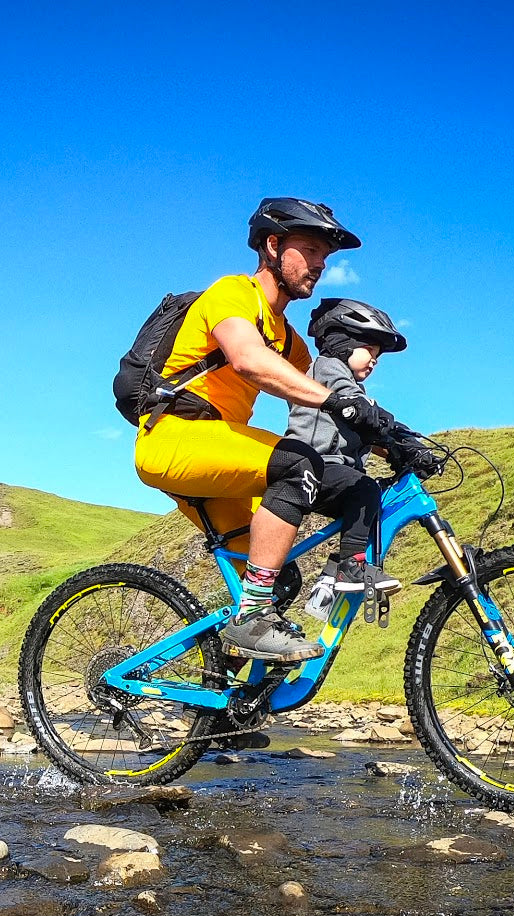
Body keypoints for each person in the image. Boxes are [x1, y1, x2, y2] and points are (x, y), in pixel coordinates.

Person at [133, 198, 398, 662]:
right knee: (298, 465)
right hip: (174, 439)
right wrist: (334, 398)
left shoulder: (289, 338)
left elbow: (318, 391)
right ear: (272, 245)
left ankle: (230, 701)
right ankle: (251, 617)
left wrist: (391, 437)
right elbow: (249, 360)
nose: (320, 264)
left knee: (282, 576)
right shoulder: (233, 294)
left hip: (222, 458)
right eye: (311, 249)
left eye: (326, 257)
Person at [286, 298, 416, 616]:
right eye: (370, 351)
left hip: (329, 468)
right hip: (314, 464)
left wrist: (403, 444)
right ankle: (349, 569)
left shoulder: (347, 380)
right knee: (365, 490)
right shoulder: (328, 367)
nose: (374, 361)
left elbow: (365, 424)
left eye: (378, 357)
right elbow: (353, 404)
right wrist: (382, 421)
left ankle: (329, 582)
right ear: (344, 343)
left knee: (365, 506)